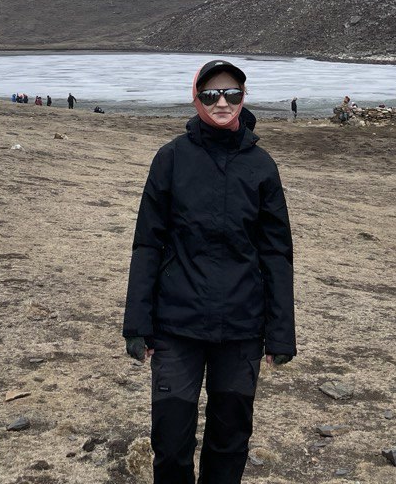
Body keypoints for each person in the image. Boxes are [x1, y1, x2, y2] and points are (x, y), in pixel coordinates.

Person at [124, 59, 296, 484]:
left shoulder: (262, 166)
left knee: (230, 439)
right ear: (196, 97)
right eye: (211, 94)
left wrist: (281, 332)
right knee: (171, 440)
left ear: (243, 98)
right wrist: (137, 324)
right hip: (176, 325)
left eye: (232, 94)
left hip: (241, 326)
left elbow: (277, 253)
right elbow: (148, 243)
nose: (222, 102)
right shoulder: (171, 159)